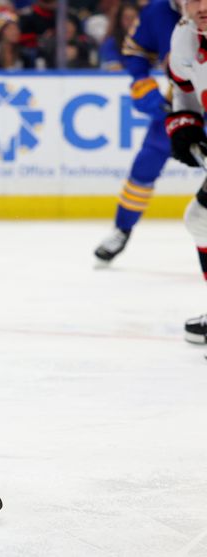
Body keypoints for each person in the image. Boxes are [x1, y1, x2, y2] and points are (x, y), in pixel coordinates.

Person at [92, 0, 180, 263]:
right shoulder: (158, 10)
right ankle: (122, 229)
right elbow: (135, 50)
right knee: (146, 164)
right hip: (182, 101)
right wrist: (142, 83)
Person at [166, 0, 207, 343]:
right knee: (201, 220)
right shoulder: (184, 37)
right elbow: (185, 91)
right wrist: (186, 127)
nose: (202, 5)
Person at [98, 3, 137, 71]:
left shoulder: (149, 41)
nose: (131, 22)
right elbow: (114, 67)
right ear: (120, 20)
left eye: (133, 18)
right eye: (127, 18)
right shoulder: (111, 42)